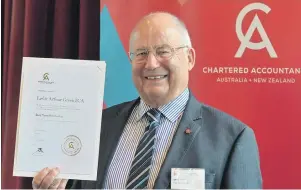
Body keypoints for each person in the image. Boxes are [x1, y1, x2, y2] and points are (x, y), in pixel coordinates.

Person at [32, 12, 262, 189]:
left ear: (189, 58)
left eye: (163, 51)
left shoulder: (232, 138)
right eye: (141, 53)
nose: (151, 64)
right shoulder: (98, 126)